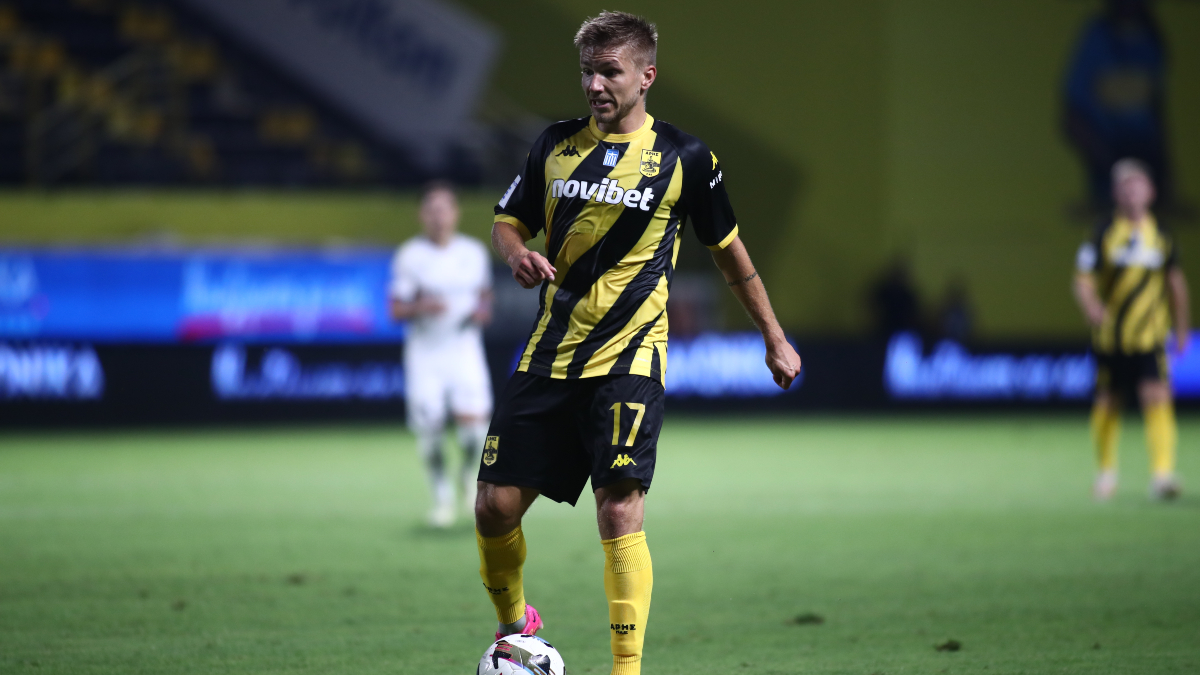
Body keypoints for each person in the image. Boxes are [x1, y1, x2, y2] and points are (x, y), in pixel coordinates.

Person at [473, 11, 801, 675]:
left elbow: (730, 254)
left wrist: (773, 335)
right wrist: (515, 253)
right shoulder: (554, 145)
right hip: (550, 352)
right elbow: (508, 221)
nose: (595, 85)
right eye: (587, 72)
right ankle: (515, 627)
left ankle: (627, 670)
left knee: (619, 509)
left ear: (646, 76)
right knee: (493, 505)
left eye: (609, 72)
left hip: (630, 357)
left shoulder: (686, 159)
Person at [1073, 159, 1190, 501]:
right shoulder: (1102, 233)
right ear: (1115, 193)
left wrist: (1182, 327)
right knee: (1108, 401)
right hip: (1111, 336)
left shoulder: (1162, 235)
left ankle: (1162, 474)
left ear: (1150, 192)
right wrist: (1091, 305)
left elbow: (1175, 282)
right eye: (1125, 187)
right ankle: (1106, 473)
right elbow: (1083, 278)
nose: (1131, 193)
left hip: (1151, 334)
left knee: (1157, 395)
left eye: (1137, 186)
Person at [389, 181, 494, 527]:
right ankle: (442, 498)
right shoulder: (410, 256)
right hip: (426, 355)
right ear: (422, 215)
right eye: (432, 209)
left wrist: (481, 312)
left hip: (464, 350)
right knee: (430, 432)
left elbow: (485, 297)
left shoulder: (473, 253)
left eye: (444, 209)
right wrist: (422, 306)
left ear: (455, 213)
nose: (438, 216)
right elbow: (395, 309)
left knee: (473, 432)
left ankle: (467, 474)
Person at [1064, 0, 1171, 212]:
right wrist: (1106, 162)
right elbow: (1072, 114)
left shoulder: (1151, 40)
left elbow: (1156, 107)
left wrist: (1165, 174)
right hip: (1107, 152)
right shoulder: (1097, 37)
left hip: (1146, 151)